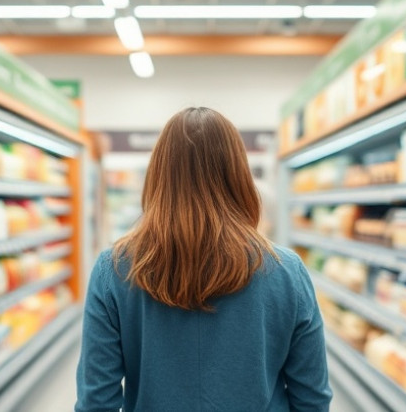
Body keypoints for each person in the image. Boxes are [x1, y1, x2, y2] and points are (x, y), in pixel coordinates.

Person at [76, 107, 332, 412]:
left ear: (158, 174)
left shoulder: (115, 270)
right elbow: (312, 399)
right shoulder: (287, 271)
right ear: (239, 175)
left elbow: (96, 403)